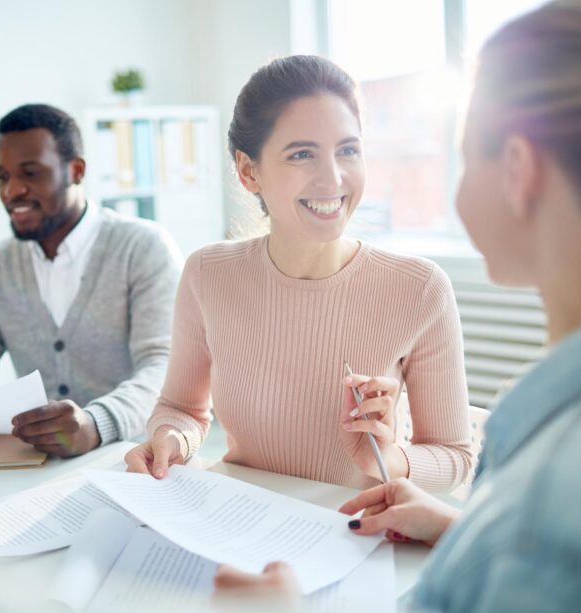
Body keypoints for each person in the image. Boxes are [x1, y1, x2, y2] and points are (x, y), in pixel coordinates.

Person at [214, 2, 581, 613]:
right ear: (249, 172)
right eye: (302, 154)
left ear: (518, 171)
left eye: (463, 156)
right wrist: (458, 526)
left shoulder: (550, 485)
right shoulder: (544, 451)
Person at [126, 55, 473, 492]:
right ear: (249, 171)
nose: (333, 178)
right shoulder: (206, 274)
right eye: (303, 154)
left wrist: (391, 458)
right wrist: (171, 440)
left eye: (348, 150)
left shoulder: (419, 289)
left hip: (351, 532)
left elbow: (455, 456)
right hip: (240, 518)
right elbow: (181, 408)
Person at [0, 104, 182, 457]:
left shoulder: (142, 247)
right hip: (40, 465)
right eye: (3, 177)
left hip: (135, 458)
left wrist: (97, 423)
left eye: (30, 174)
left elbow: (164, 366)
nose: (11, 191)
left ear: (76, 170)